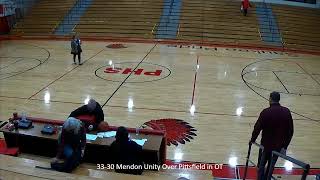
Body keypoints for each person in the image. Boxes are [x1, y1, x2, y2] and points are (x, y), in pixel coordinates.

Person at [250, 91, 294, 179]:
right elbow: (291, 131)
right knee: (271, 166)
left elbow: (257, 128)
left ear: (270, 99)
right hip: (278, 147)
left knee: (261, 166)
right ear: (279, 100)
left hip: (266, 146)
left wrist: (252, 140)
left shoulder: (266, 112)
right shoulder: (286, 111)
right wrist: (285, 146)